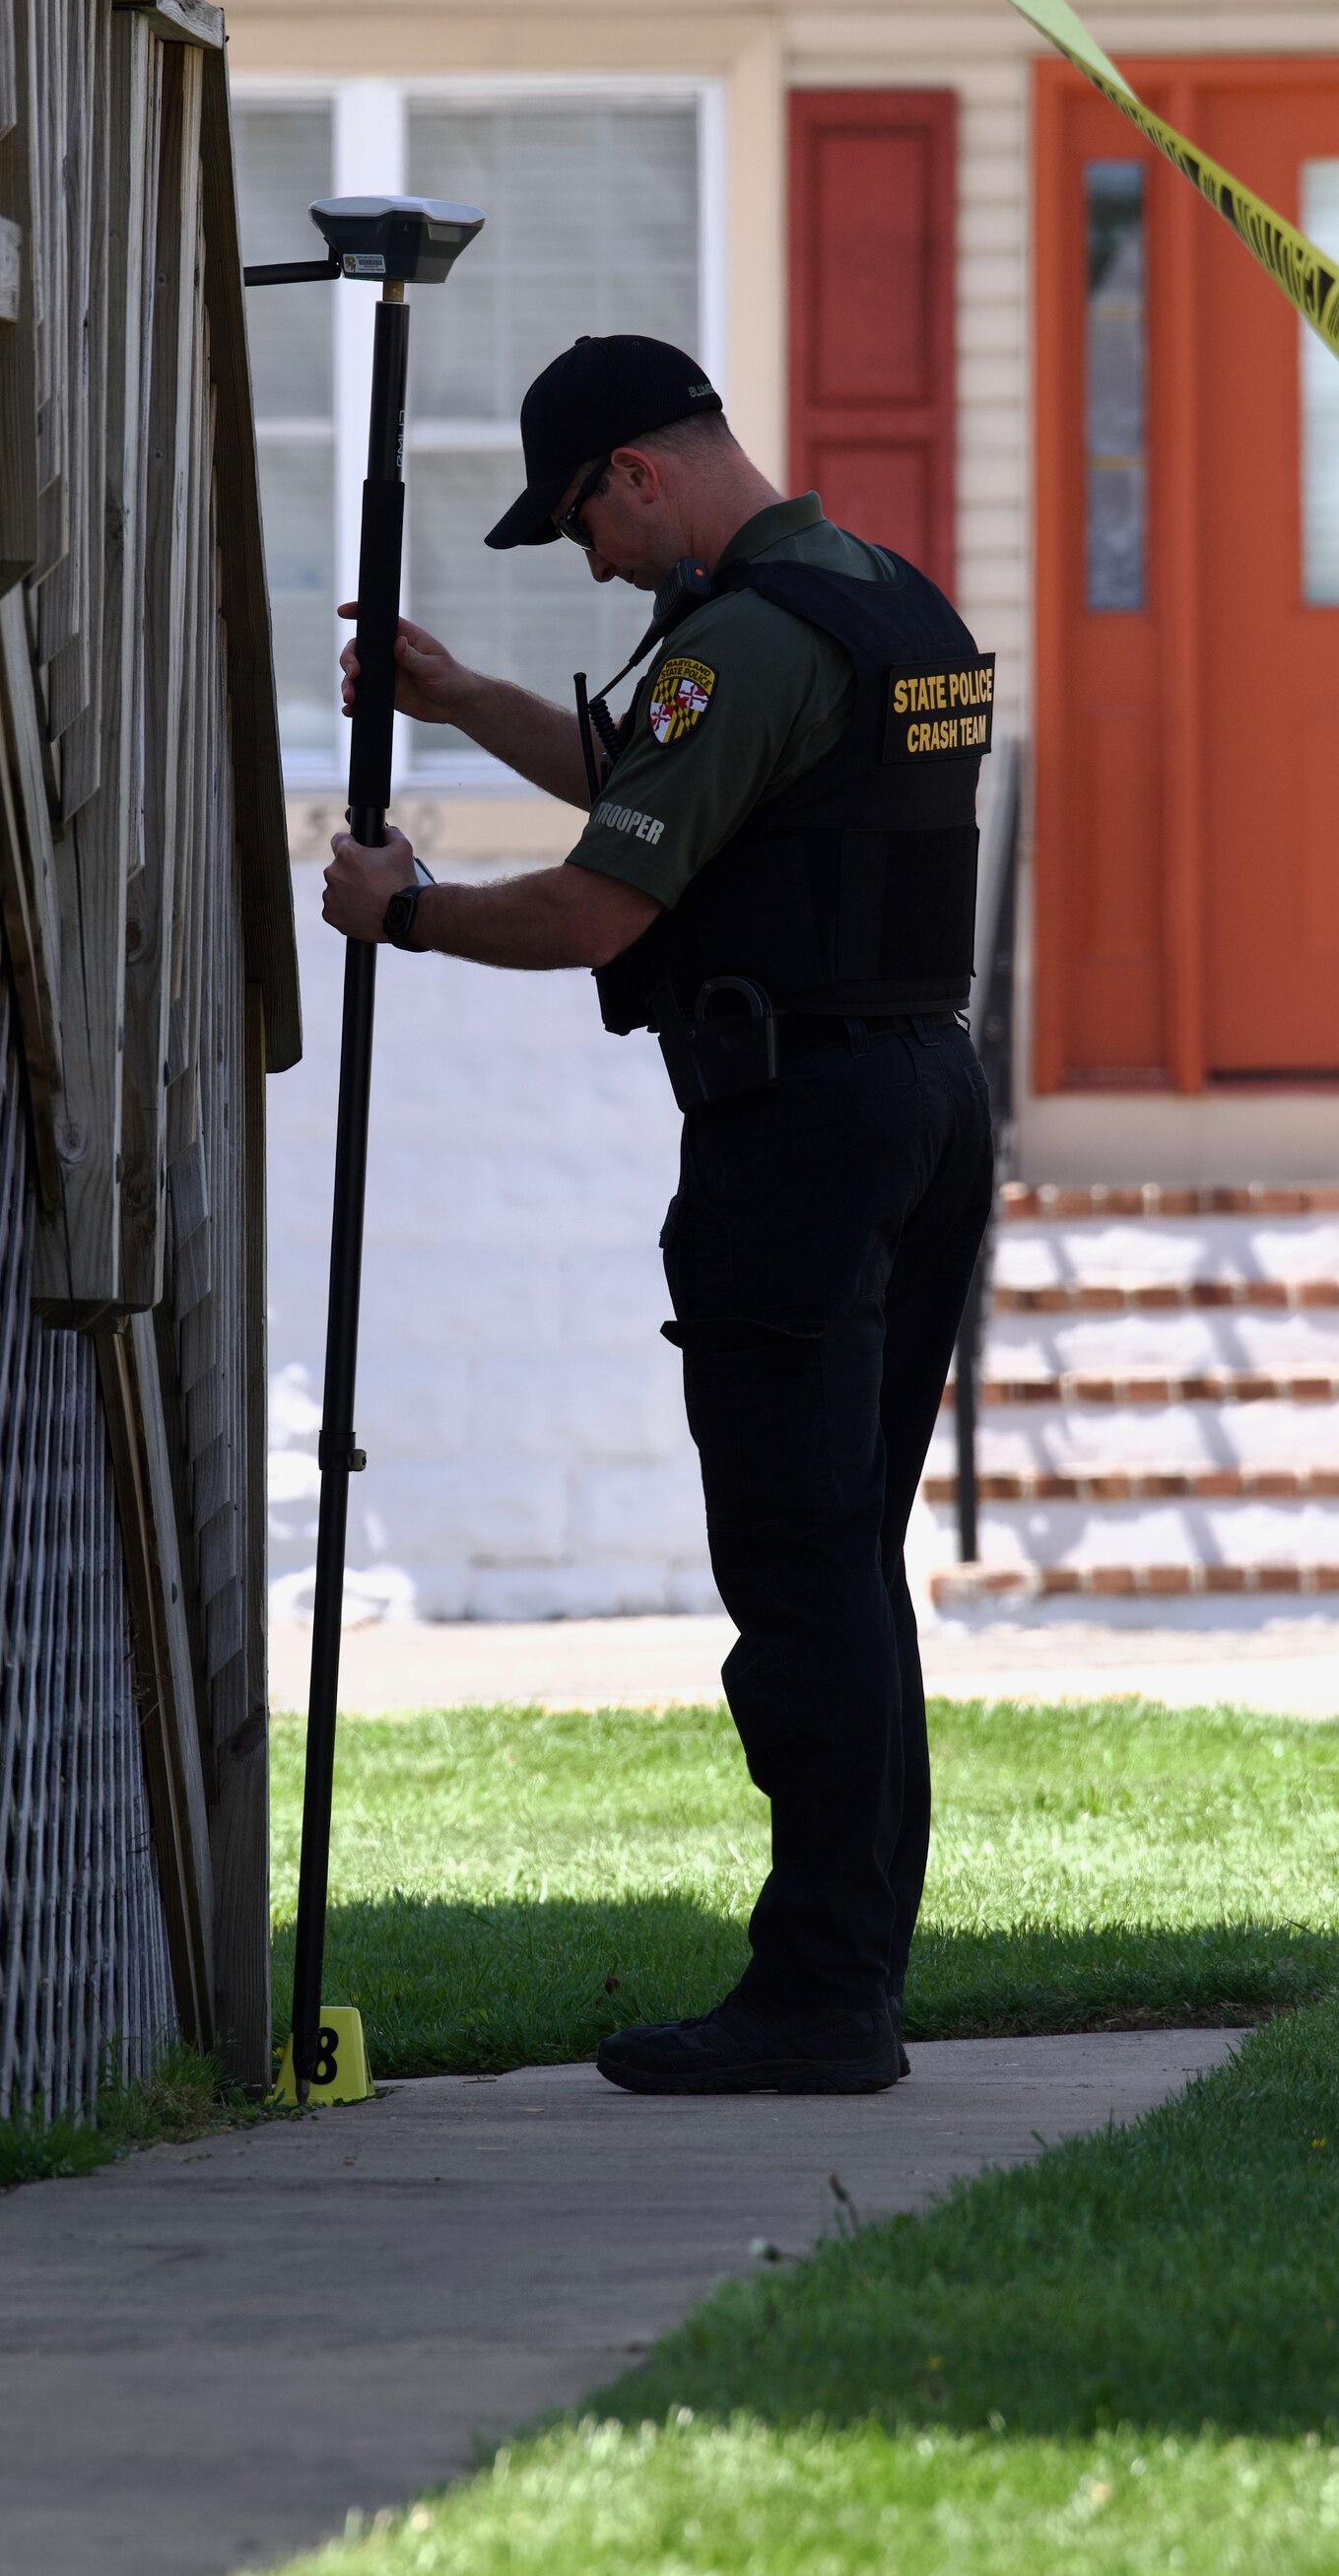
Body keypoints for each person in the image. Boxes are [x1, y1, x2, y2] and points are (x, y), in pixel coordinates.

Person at [318, 332, 996, 2097]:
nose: (599, 562)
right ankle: (849, 1969)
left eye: (588, 526)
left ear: (642, 473)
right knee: (847, 1555)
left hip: (804, 1133)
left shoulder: (746, 643)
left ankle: (821, 1997)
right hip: (923, 1095)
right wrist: (463, 698)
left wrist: (406, 911)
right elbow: (666, 781)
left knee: (794, 1562)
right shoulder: (883, 601)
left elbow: (605, 904)